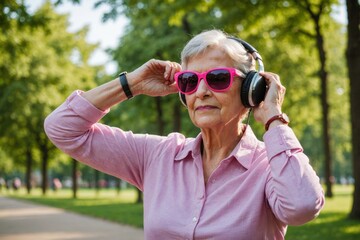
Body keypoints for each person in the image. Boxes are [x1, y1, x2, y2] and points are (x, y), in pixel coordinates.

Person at [44, 29, 325, 239]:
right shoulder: (157, 156)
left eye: (217, 78)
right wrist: (132, 83)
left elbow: (302, 207)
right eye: (189, 81)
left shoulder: (271, 167)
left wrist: (274, 118)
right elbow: (63, 128)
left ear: (251, 90)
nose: (201, 91)